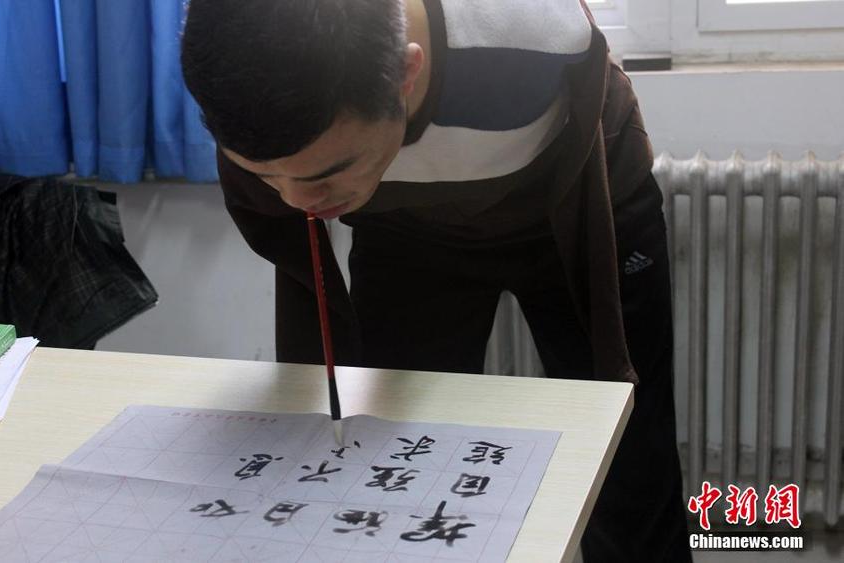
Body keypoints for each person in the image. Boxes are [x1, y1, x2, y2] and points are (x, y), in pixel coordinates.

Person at [181, 0, 691, 560]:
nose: (298, 201)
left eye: (328, 173)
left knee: (626, 460)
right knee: (391, 450)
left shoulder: (528, 37)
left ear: (405, 72)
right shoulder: (246, 85)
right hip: (407, 229)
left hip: (569, 203)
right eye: (265, 177)